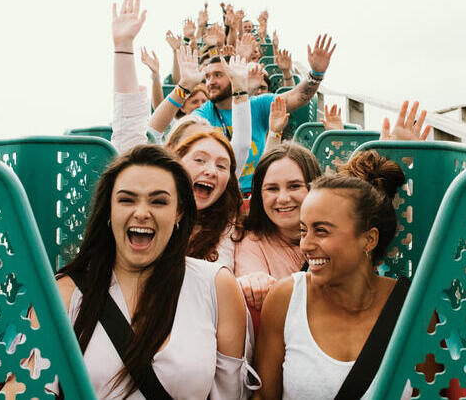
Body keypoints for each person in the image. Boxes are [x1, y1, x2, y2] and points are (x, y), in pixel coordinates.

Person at [51, 145, 254, 400]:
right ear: (109, 212)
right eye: (126, 200)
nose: (142, 213)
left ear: (179, 212)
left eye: (158, 201)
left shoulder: (216, 286)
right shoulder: (64, 293)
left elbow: (231, 394)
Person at [253, 151, 414, 400]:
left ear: (369, 239)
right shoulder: (286, 300)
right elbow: (263, 397)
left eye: (321, 231)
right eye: (304, 230)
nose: (305, 245)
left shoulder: (413, 309)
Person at [110, 0, 252, 172]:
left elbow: (241, 144)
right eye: (199, 158)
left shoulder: (221, 180)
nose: (209, 170)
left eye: (218, 162)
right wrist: (123, 47)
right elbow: (135, 138)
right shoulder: (164, 184)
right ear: (174, 155)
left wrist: (239, 87)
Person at [194, 34, 337, 194]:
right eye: (207, 77)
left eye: (218, 75)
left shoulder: (258, 105)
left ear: (234, 75)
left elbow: (298, 97)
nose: (211, 82)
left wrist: (316, 74)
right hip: (221, 190)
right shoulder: (203, 114)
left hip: (258, 190)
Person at [234, 143, 322, 311]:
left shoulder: (336, 234)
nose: (283, 198)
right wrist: (254, 281)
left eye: (294, 186)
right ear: (260, 195)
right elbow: (250, 276)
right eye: (272, 189)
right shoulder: (252, 244)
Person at [174, 130, 245, 268]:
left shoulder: (230, 226)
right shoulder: (151, 211)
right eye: (200, 160)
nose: (211, 171)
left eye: (221, 166)